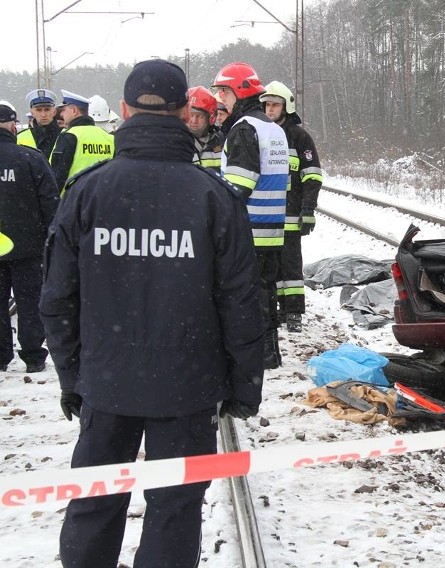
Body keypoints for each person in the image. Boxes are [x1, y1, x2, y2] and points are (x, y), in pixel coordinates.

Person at [39, 59, 265, 568]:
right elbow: (241, 303)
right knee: (175, 510)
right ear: (187, 111)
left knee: (94, 503)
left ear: (123, 111)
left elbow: (56, 300)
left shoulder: (86, 193)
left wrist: (75, 377)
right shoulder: (213, 197)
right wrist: (244, 384)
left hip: (107, 382)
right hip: (187, 387)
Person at [212, 62, 288, 369]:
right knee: (265, 290)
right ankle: (269, 351)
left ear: (238, 91)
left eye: (223, 92)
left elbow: (240, 184)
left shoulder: (244, 129)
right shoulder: (273, 129)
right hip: (273, 226)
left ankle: (255, 353)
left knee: (245, 293)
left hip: (249, 225)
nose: (221, 100)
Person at [260, 81, 324, 333]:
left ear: (287, 106)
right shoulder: (260, 132)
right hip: (265, 216)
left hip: (291, 215)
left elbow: (312, 176)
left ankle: (293, 312)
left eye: (275, 104)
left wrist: (308, 210)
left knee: (291, 267)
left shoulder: (299, 137)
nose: (270, 109)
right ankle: (276, 309)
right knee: (270, 267)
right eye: (266, 104)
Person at [0, 102, 59, 373]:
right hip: (28, 246)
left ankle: (1, 356)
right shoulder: (30, 157)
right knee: (30, 300)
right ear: (13, 126)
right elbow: (50, 202)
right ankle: (33, 355)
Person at [49, 90, 115, 193]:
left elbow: (57, 176)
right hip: (103, 201)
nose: (61, 114)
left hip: (73, 202)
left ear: (74, 111)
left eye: (63, 110)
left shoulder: (69, 135)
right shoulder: (108, 137)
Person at [186, 86, 224, 172]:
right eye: (190, 114)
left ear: (211, 118)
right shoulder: (175, 142)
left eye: (199, 116)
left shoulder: (222, 141)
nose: (193, 121)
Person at [17, 89, 62, 156]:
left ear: (54, 112)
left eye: (47, 109)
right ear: (32, 113)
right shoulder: (20, 137)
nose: (43, 114)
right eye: (38, 110)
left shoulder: (66, 134)